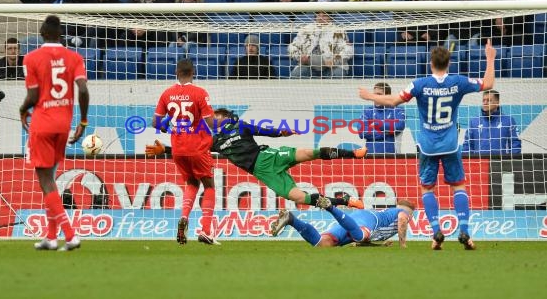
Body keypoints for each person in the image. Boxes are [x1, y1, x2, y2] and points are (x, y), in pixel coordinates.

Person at [358, 39, 498, 250]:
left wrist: (370, 95)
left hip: (427, 146)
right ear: (448, 64)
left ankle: (435, 233)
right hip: (450, 144)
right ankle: (465, 233)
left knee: (427, 189)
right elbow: (488, 84)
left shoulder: (419, 84)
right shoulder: (458, 82)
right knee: (458, 186)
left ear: (431, 63)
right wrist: (490, 58)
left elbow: (394, 101)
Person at [146, 107, 367, 209]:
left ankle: (353, 154)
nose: (212, 119)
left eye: (216, 116)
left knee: (309, 153)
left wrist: (282, 132)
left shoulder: (239, 125)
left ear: (224, 117)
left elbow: (263, 130)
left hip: (267, 156)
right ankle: (346, 201)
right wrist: (164, 150)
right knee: (298, 198)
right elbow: (192, 149)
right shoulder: (213, 142)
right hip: (262, 172)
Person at [19, 15, 90, 251]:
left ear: (41, 32)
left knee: (46, 180)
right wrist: (83, 121)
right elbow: (83, 90)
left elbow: (34, 95)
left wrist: (22, 109)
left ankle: (70, 235)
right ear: (60, 34)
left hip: (42, 123)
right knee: (50, 179)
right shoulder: (74, 57)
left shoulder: (31, 58)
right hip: (64, 125)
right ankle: (51, 236)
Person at [148, 59, 219, 246]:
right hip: (198, 147)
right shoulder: (200, 93)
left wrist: (167, 126)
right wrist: (227, 126)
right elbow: (211, 123)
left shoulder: (167, 93)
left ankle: (184, 218)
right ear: (193, 72)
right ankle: (205, 230)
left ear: (176, 72)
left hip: (178, 149)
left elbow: (155, 123)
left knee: (191, 183)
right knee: (209, 185)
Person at [271, 197, 416, 248]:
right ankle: (330, 207)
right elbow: (403, 219)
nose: (410, 217)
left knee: (323, 243)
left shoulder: (392, 216)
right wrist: (402, 245)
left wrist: (379, 246)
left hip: (357, 224)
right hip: (369, 218)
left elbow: (364, 241)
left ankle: (291, 219)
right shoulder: (402, 213)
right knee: (360, 235)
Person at [288, 12, 352, 78]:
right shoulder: (305, 30)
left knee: (338, 74)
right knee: (296, 74)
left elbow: (348, 50)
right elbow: (292, 47)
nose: (320, 18)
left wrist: (335, 61)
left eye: (324, 15)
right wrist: (300, 57)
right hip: (308, 66)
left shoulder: (339, 31)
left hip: (332, 67)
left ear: (330, 17)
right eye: (318, 15)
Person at [462, 89, 522, 155]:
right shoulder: (474, 122)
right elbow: (467, 145)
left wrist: (510, 163)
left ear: (497, 102)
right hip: (480, 163)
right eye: (483, 100)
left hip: (502, 163)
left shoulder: (509, 120)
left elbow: (515, 143)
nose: (485, 103)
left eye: (488, 100)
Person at [359, 82, 406, 154]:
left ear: (387, 96)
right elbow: (362, 133)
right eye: (374, 95)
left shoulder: (397, 110)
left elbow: (399, 126)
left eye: (379, 95)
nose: (375, 98)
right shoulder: (367, 111)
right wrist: (386, 132)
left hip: (392, 156)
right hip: (370, 157)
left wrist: (376, 124)